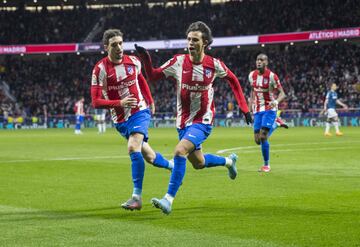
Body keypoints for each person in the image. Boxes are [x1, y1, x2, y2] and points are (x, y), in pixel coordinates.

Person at [135, 21, 252, 214]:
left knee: (179, 151)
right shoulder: (178, 62)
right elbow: (154, 76)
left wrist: (244, 108)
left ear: (204, 42)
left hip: (203, 121)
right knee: (198, 163)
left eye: (195, 39)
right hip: (183, 123)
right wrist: (145, 58)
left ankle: (168, 200)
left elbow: (233, 80)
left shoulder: (214, 65)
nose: (190, 42)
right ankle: (229, 162)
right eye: (189, 39)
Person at [91, 29, 173, 211]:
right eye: (114, 44)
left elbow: (141, 79)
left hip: (139, 111)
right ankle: (174, 168)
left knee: (132, 147)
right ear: (106, 47)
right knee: (150, 157)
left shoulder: (134, 61)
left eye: (121, 43)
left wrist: (150, 100)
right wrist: (119, 102)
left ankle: (136, 197)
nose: (119, 47)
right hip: (120, 120)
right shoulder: (100, 69)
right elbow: (96, 102)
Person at [248, 53, 286, 173]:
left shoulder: (271, 76)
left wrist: (276, 101)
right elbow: (252, 92)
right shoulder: (251, 75)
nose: (259, 62)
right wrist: (249, 108)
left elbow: (282, 93)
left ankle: (266, 165)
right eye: (257, 60)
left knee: (263, 137)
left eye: (262, 60)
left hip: (270, 108)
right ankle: (276, 124)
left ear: (266, 62)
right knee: (257, 140)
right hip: (257, 109)